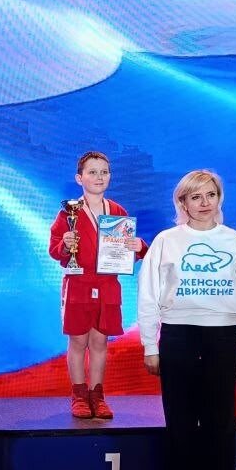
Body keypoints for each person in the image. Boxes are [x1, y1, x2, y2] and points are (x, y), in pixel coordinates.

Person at [137, 169, 236, 470]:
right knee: (180, 424)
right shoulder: (166, 241)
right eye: (196, 196)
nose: (204, 203)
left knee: (219, 425)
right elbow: (148, 296)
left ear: (219, 198)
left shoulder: (234, 241)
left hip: (224, 338)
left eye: (211, 195)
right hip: (178, 337)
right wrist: (150, 345)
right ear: (183, 202)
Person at [49, 150, 148, 419]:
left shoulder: (118, 212)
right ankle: (79, 395)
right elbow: (55, 250)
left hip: (107, 286)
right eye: (92, 172)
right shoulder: (67, 213)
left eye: (104, 172)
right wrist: (64, 244)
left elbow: (126, 254)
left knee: (100, 341)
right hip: (79, 283)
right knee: (78, 340)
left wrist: (138, 247)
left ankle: (97, 395)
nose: (99, 177)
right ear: (79, 178)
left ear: (110, 177)